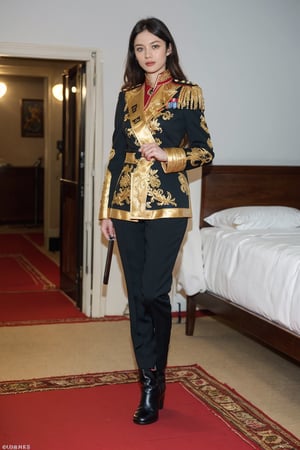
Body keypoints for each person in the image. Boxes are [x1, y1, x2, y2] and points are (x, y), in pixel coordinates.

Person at [99, 17, 214, 425]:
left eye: (154, 46)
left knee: (153, 291)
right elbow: (115, 156)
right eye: (139, 48)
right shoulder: (126, 97)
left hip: (168, 205)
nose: (147, 54)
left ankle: (157, 372)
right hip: (126, 206)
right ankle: (150, 382)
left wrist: (170, 156)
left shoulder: (188, 94)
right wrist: (106, 211)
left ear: (168, 48)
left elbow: (205, 152)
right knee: (137, 298)